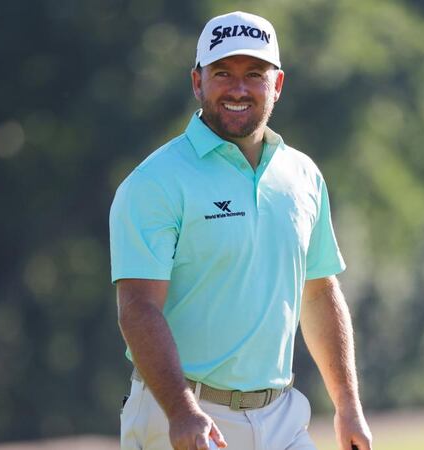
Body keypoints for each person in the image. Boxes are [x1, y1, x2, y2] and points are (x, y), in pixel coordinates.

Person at [109, 11, 372, 450]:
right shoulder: (154, 182)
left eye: (254, 74)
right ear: (197, 82)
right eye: (222, 73)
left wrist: (348, 406)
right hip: (181, 414)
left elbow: (319, 292)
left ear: (278, 85)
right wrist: (181, 410)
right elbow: (137, 307)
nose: (238, 88)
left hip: (281, 417)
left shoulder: (302, 175)